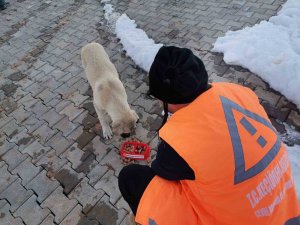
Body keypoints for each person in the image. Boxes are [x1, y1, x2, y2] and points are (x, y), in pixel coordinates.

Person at [118, 46, 300, 225]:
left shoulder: (177, 142)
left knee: (132, 178)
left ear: (167, 100)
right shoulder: (238, 92)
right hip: (286, 210)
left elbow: (162, 171)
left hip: (241, 219)